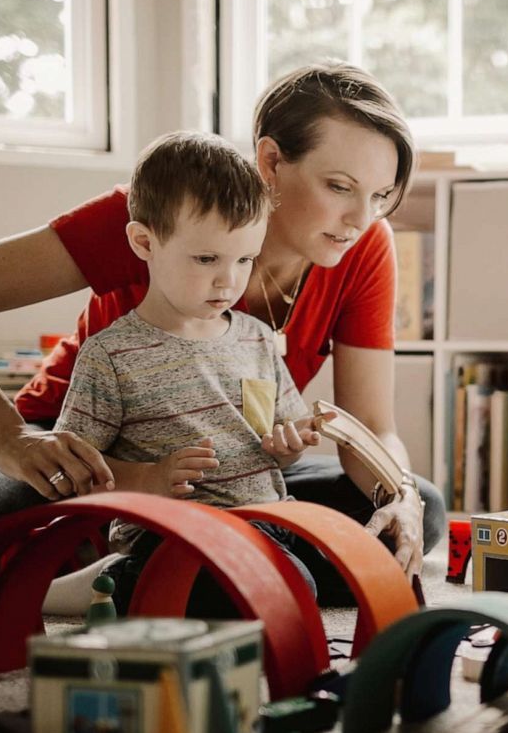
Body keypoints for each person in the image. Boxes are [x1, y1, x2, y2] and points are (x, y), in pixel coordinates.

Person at [0, 64, 444, 605]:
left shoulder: (363, 253)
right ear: (271, 163)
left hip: (214, 465)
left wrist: (397, 493)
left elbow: (370, 426)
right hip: (75, 443)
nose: (361, 218)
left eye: (381, 196)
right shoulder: (164, 211)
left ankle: (122, 566)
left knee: (416, 512)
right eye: (341, 186)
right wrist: (7, 441)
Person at [53, 130, 328, 612]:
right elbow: (73, 471)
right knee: (285, 589)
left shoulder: (256, 339)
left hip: (263, 520)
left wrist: (290, 445)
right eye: (206, 259)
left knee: (350, 563)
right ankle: (105, 582)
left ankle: (128, 586)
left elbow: (279, 452)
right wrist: (148, 477)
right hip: (170, 535)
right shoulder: (111, 355)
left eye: (245, 259)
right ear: (144, 242)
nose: (229, 279)